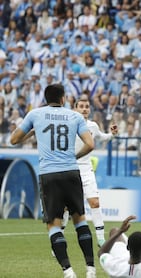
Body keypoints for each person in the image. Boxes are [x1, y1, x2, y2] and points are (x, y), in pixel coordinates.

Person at [10, 84, 96, 278]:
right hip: (72, 173)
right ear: (63, 99)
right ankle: (91, 270)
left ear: (45, 98)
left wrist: (32, 132)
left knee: (54, 225)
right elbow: (90, 144)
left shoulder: (36, 114)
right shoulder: (75, 116)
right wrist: (74, 156)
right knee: (80, 220)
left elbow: (14, 140)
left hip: (49, 175)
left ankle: (68, 271)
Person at [60, 96, 118, 247]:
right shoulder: (67, 124)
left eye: (87, 106)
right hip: (70, 169)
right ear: (75, 109)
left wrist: (112, 134)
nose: (85, 109)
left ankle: (100, 239)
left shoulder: (93, 126)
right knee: (66, 207)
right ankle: (59, 240)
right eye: (81, 106)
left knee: (94, 202)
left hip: (86, 170)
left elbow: (103, 138)